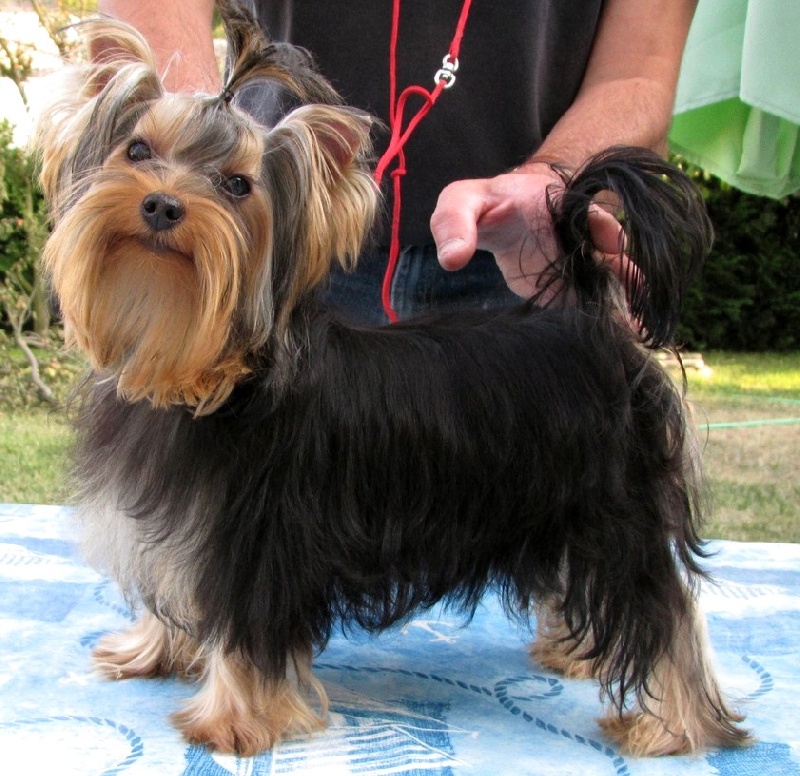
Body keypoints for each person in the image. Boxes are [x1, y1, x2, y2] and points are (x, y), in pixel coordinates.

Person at [97, 0, 699, 324]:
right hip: (277, 254)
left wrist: (554, 178)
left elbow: (638, 73)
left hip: (529, 264)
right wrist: (197, 154)